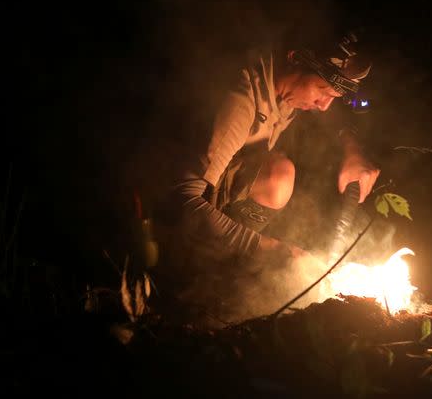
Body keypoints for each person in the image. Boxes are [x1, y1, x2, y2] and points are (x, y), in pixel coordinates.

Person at [149, 29, 381, 320]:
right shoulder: (239, 102)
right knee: (278, 177)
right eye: (323, 93)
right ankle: (189, 275)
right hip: (158, 212)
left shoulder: (286, 86)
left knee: (278, 174)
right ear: (296, 61)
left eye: (332, 97)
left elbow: (333, 115)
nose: (324, 106)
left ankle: (221, 267)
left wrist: (352, 148)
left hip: (207, 196)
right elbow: (180, 202)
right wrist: (268, 249)